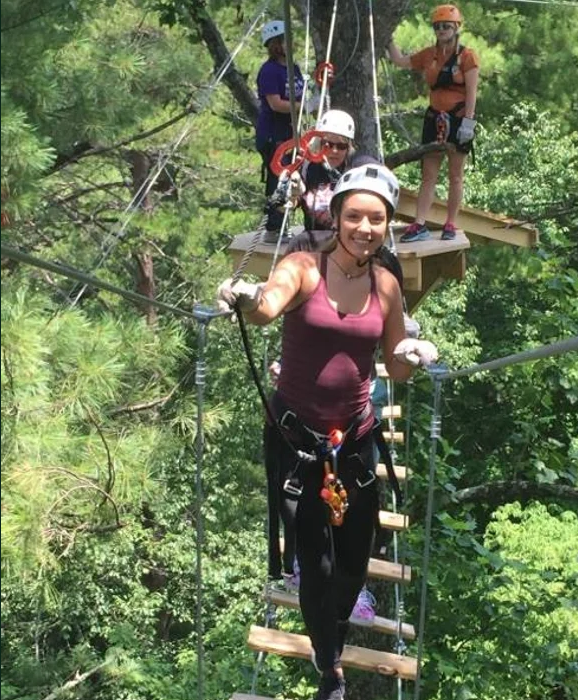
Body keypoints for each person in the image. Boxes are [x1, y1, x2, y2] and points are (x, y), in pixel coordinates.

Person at [218, 164, 438, 699]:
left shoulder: (386, 284)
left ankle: (331, 635)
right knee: (314, 563)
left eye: (377, 219)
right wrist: (248, 297)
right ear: (337, 218)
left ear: (387, 226)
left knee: (354, 562)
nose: (365, 227)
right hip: (298, 443)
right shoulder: (303, 268)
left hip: (357, 441)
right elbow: (268, 307)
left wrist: (413, 356)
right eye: (355, 216)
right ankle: (328, 665)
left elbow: (395, 363)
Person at [388, 4, 480, 242]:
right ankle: (419, 224)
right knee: (428, 174)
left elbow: (471, 93)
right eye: (438, 27)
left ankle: (450, 223)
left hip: (459, 119)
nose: (441, 30)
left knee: (455, 175)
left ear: (456, 28)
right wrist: (385, 38)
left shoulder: (467, 57)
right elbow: (400, 61)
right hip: (434, 118)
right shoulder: (429, 55)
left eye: (446, 26)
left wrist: (468, 125)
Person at [255, 20, 306, 240]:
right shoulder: (269, 71)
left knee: (295, 178)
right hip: (273, 134)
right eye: (285, 40)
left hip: (290, 133)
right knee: (279, 179)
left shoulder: (293, 68)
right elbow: (276, 103)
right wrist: (302, 106)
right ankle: (274, 228)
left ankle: (286, 222)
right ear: (276, 44)